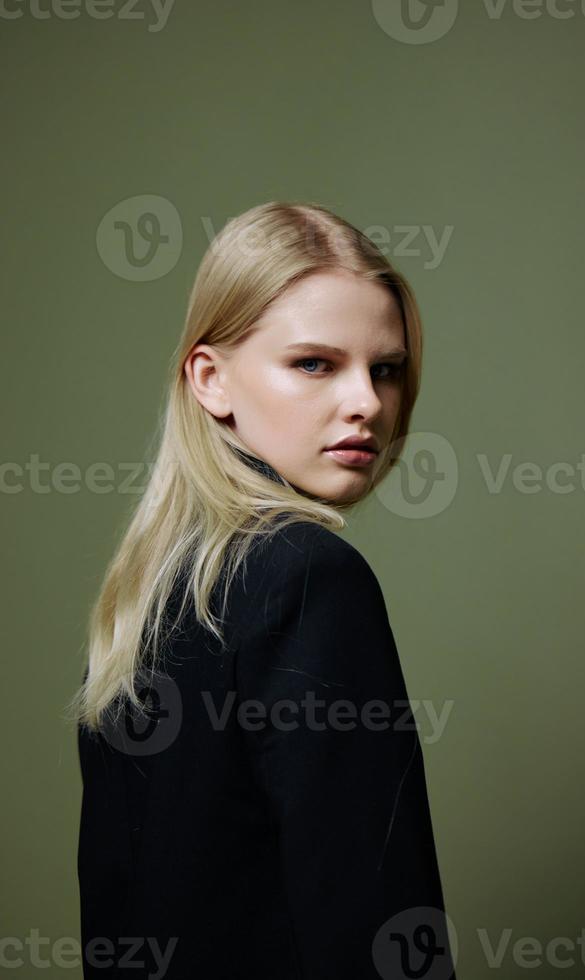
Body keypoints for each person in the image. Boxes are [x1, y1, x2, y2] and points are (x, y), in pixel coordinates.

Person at [67, 201, 457, 979]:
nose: (368, 404)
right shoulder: (310, 575)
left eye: (386, 368)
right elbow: (377, 930)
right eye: (315, 363)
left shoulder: (152, 596)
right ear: (210, 379)